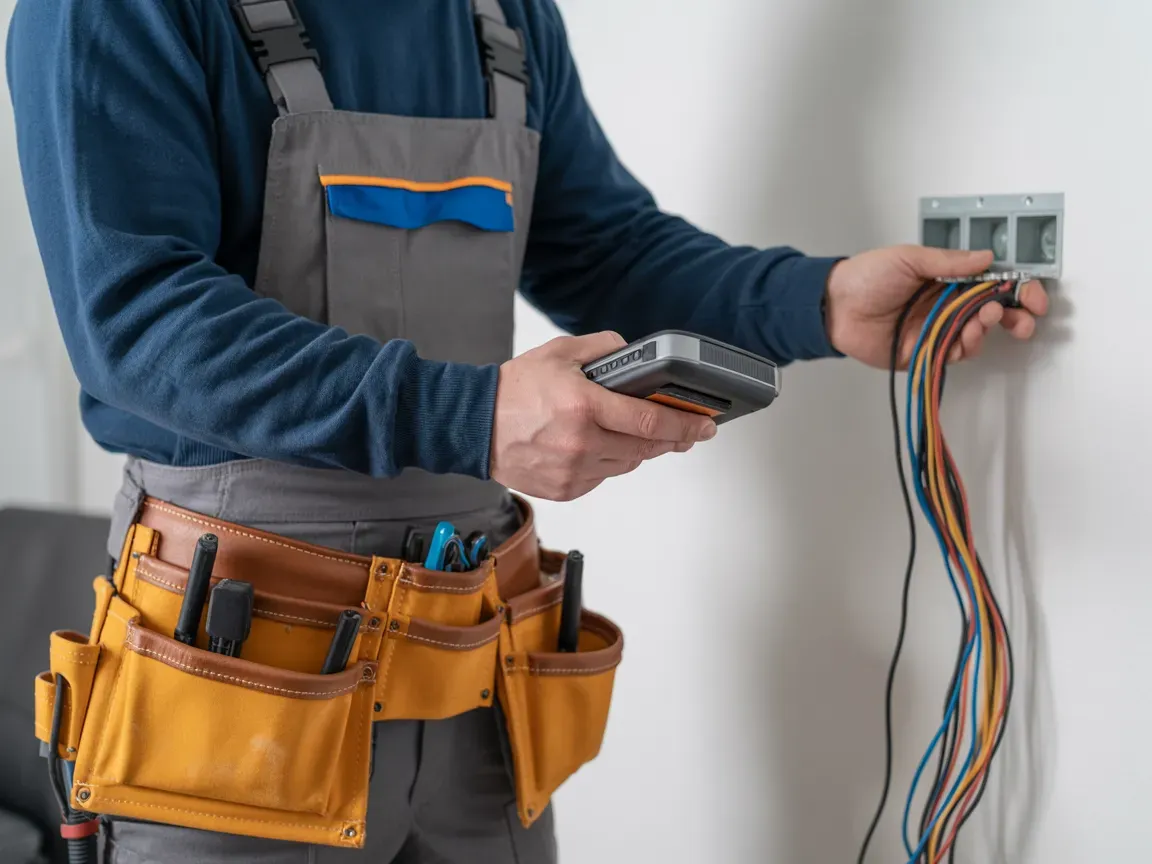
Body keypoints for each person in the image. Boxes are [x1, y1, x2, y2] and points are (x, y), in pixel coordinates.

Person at [5, 0, 1048, 861]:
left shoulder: (498, 15)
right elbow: (139, 320)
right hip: (239, 678)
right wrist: (474, 413)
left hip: (476, 666)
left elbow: (602, 244)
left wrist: (819, 303)